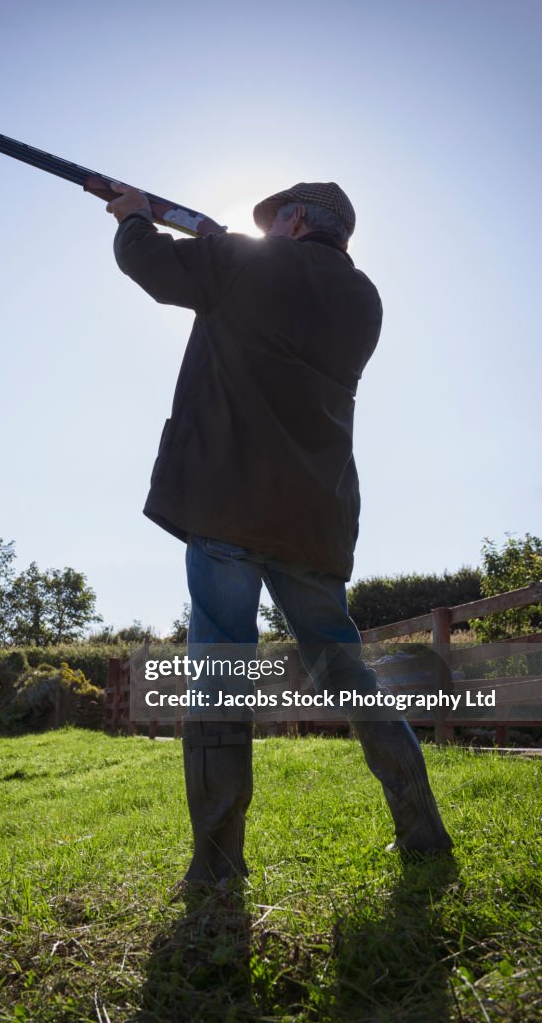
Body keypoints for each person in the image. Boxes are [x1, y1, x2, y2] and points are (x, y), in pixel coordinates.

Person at [106, 179, 453, 884]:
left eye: (272, 222)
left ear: (294, 220)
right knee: (349, 675)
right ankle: (422, 831)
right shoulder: (364, 299)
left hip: (227, 503)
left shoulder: (245, 263)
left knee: (220, 676)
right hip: (314, 520)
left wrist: (133, 216)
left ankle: (216, 865)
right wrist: (218, 244)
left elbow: (150, 268)